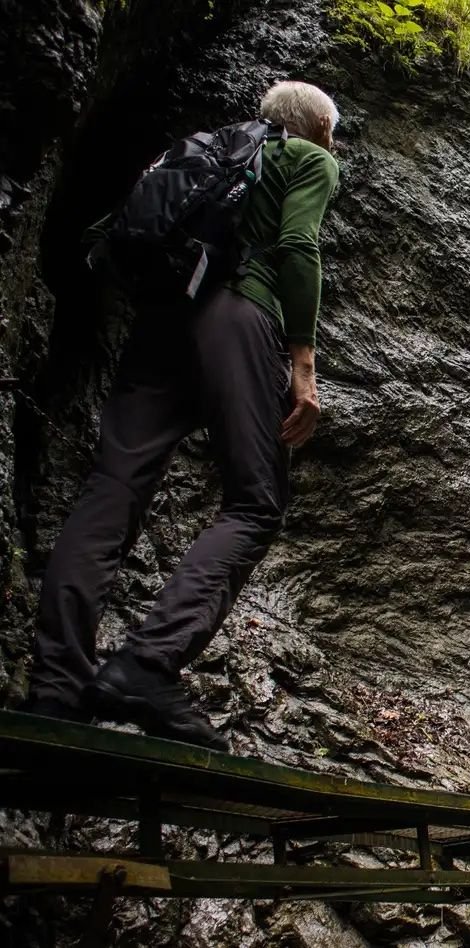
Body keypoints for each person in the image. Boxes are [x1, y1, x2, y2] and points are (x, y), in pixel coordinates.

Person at [19, 81, 340, 751]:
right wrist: (303, 366)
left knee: (113, 489)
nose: (333, 145)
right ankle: (146, 664)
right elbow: (297, 249)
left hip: (160, 324)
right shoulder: (307, 159)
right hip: (238, 313)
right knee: (256, 503)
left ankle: (56, 686)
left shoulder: (212, 151)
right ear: (312, 126)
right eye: (330, 132)